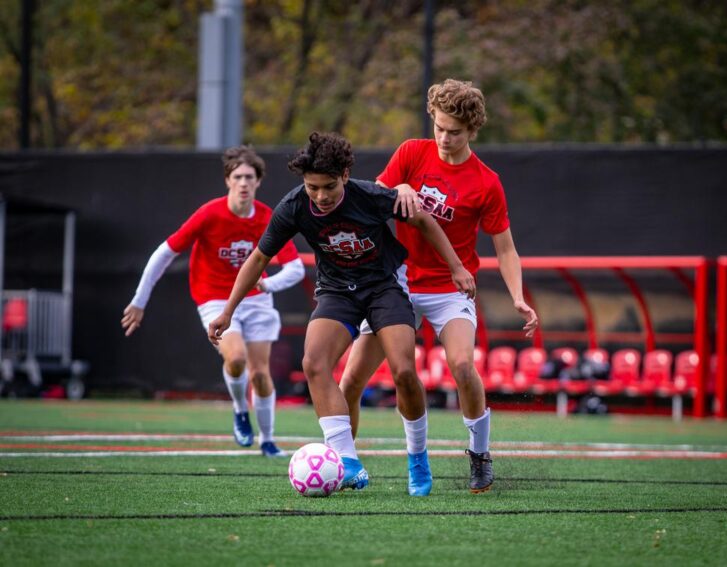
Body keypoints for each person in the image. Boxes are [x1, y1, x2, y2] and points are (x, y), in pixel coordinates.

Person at [208, 132, 475, 496]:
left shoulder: (371, 196)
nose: (320, 195)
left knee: (404, 371)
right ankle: (347, 462)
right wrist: (227, 311)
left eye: (329, 186)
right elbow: (258, 259)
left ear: (345, 176)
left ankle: (417, 457)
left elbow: (425, 221)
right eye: (312, 187)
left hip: (385, 287)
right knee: (314, 362)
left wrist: (457, 268)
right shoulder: (293, 207)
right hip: (337, 292)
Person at [339, 79, 539, 493]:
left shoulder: (486, 182)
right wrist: (401, 187)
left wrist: (518, 296)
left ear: (473, 130)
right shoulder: (412, 152)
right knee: (352, 378)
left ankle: (480, 455)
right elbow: (376, 198)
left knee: (464, 367)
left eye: (456, 131)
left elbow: (505, 249)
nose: (445, 138)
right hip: (395, 283)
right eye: (440, 127)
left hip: (450, 290)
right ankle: (343, 462)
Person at [121, 146, 305, 456]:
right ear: (228, 180)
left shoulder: (267, 217)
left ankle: (269, 440)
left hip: (256, 301)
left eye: (250, 177)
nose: (244, 183)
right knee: (235, 359)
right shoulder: (210, 214)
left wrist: (267, 284)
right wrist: (140, 300)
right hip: (214, 298)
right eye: (238, 177)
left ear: (258, 181)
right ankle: (239, 411)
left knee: (260, 375)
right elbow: (165, 253)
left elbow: (296, 268)